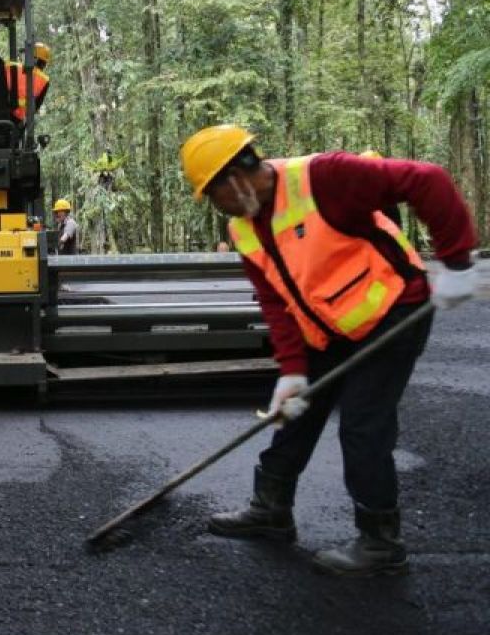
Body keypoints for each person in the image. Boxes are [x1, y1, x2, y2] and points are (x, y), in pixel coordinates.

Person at [179, 125, 477, 577]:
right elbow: (275, 302)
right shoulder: (242, 228)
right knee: (295, 414)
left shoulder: (325, 178)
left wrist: (456, 262)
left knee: (363, 425)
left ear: (234, 180)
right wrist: (292, 372)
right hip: (330, 331)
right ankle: (272, 509)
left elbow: (428, 179)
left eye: (212, 194)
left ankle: (381, 541)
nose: (216, 206)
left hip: (394, 313)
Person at [6, 43, 51, 123]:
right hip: (15, 120)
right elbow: (35, 107)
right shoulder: (44, 80)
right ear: (44, 63)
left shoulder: (10, 66)